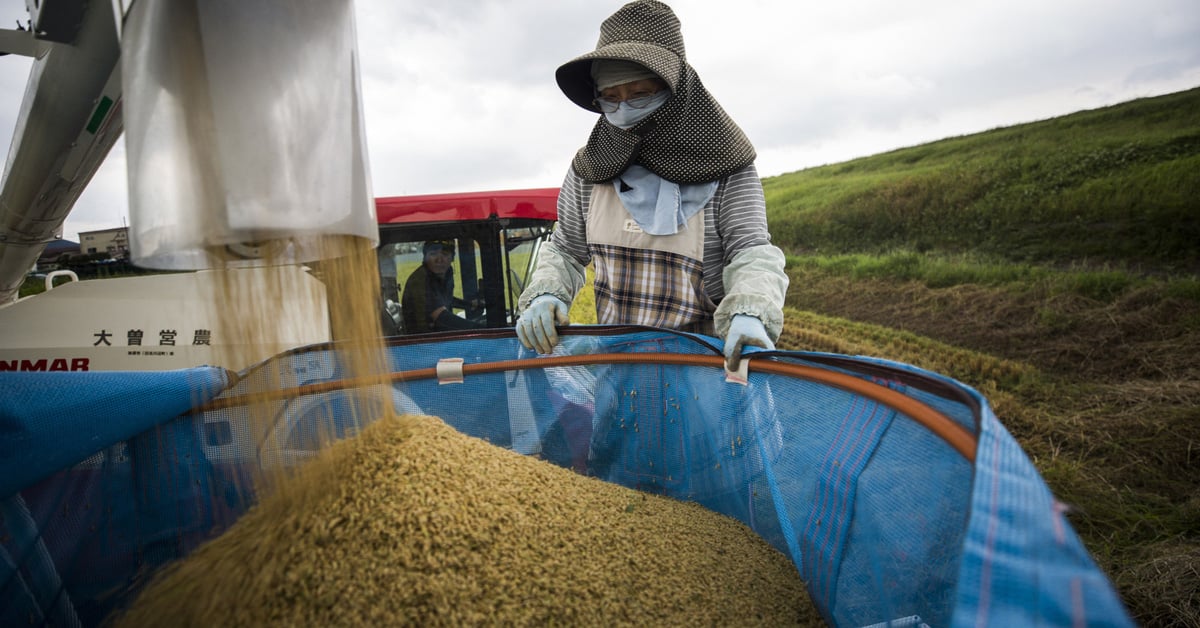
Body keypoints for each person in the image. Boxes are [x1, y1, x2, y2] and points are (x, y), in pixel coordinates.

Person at [515, 0, 788, 370]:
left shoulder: (725, 164)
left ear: (676, 91)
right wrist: (547, 293)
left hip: (707, 372)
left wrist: (751, 309)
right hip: (621, 373)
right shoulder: (592, 168)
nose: (624, 111)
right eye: (611, 99)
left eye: (640, 94)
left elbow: (750, 252)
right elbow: (565, 250)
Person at [402, 240, 485, 333]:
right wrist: (482, 329)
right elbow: (442, 317)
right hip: (424, 341)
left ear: (452, 258)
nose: (439, 259)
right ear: (425, 257)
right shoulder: (420, 280)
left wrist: (470, 304)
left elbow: (444, 299)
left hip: (437, 335)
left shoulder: (442, 274)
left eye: (445, 254)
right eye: (433, 254)